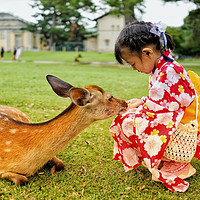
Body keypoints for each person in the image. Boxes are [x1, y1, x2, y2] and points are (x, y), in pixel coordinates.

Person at [110, 21, 200, 192]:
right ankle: (165, 159)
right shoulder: (162, 67)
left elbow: (166, 106)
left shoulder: (170, 70)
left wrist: (141, 107)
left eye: (133, 63)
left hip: (183, 125)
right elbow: (161, 99)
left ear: (147, 53)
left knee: (128, 121)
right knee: (129, 117)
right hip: (172, 117)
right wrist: (141, 103)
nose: (134, 68)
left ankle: (176, 161)